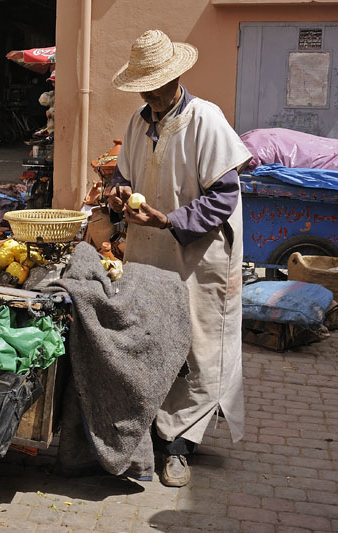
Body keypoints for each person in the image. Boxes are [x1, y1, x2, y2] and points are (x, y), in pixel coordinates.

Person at [106, 30, 251, 487]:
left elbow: (224, 197)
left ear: (176, 76)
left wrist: (169, 220)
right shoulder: (138, 121)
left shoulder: (206, 119)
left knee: (199, 347)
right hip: (149, 253)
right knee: (154, 341)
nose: (150, 93)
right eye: (143, 86)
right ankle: (153, 431)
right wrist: (118, 197)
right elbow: (122, 175)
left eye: (156, 84)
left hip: (199, 254)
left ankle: (179, 445)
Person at [37, 70, 55, 135]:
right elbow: (42, 100)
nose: (54, 84)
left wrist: (51, 111)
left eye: (55, 82)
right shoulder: (53, 93)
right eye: (52, 82)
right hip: (52, 130)